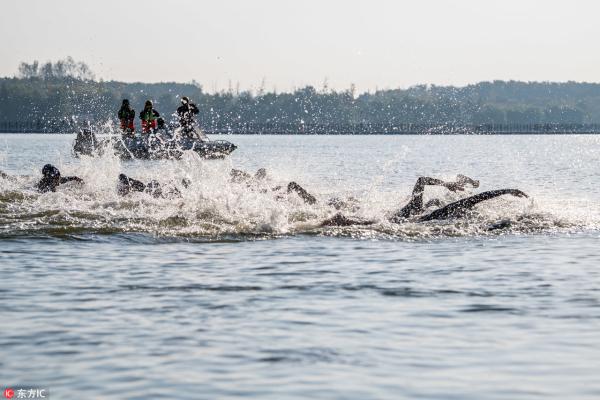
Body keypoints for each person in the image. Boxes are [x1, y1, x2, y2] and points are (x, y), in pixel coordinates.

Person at [321, 175, 528, 226]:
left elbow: (421, 180)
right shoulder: (439, 214)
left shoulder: (414, 209)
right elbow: (474, 200)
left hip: (397, 219)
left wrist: (446, 184)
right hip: (409, 223)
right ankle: (344, 220)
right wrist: (507, 190)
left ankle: (345, 220)